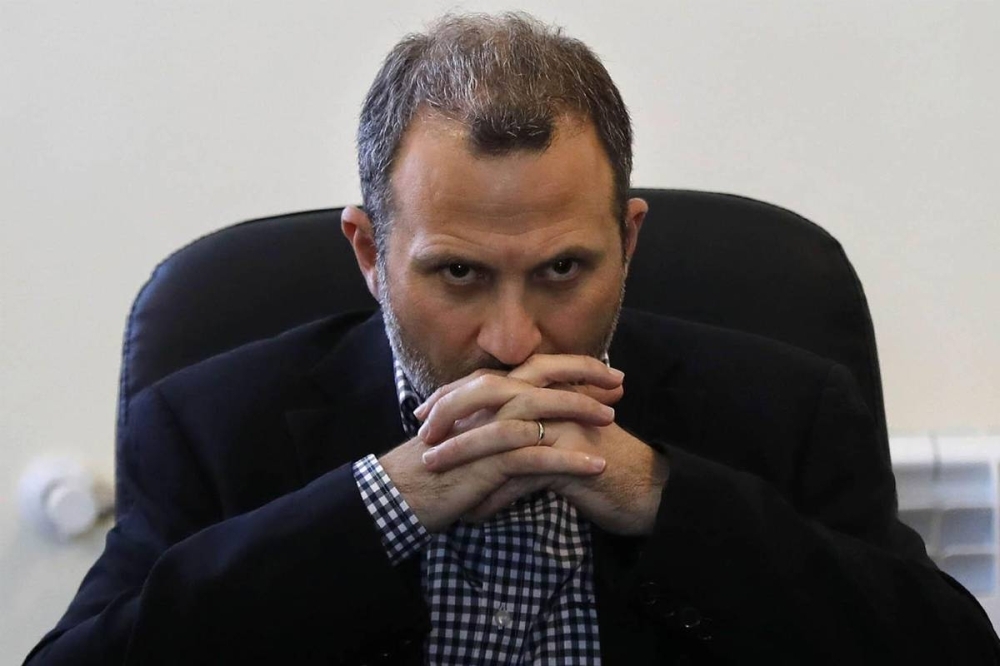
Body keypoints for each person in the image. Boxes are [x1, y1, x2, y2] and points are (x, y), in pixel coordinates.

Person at [25, 12, 999, 666]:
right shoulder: (208, 425)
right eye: (458, 273)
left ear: (628, 241)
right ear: (370, 254)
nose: (511, 338)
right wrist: (383, 506)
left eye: (563, 270)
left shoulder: (789, 409)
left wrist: (664, 501)